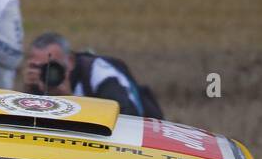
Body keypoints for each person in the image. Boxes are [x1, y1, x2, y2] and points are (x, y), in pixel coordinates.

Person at [21, 33, 164, 119]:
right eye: (38, 67)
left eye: (53, 67)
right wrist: (27, 95)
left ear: (70, 61)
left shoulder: (102, 75)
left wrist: (71, 100)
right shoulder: (36, 83)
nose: (47, 74)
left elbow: (128, 120)